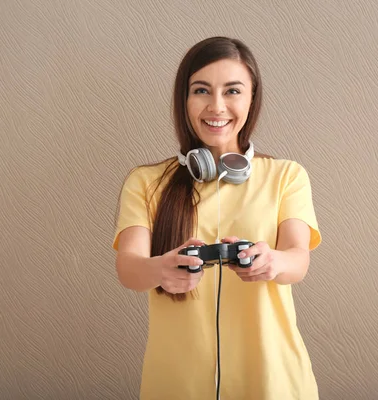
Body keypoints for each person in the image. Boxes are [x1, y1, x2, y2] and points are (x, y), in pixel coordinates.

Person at [112, 36, 322, 400]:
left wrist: (271, 261)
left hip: (273, 380)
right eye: (201, 90)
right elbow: (128, 267)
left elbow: (298, 259)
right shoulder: (145, 182)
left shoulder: (287, 176)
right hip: (177, 384)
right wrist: (162, 268)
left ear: (252, 98)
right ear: (184, 99)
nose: (217, 106)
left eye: (233, 91)